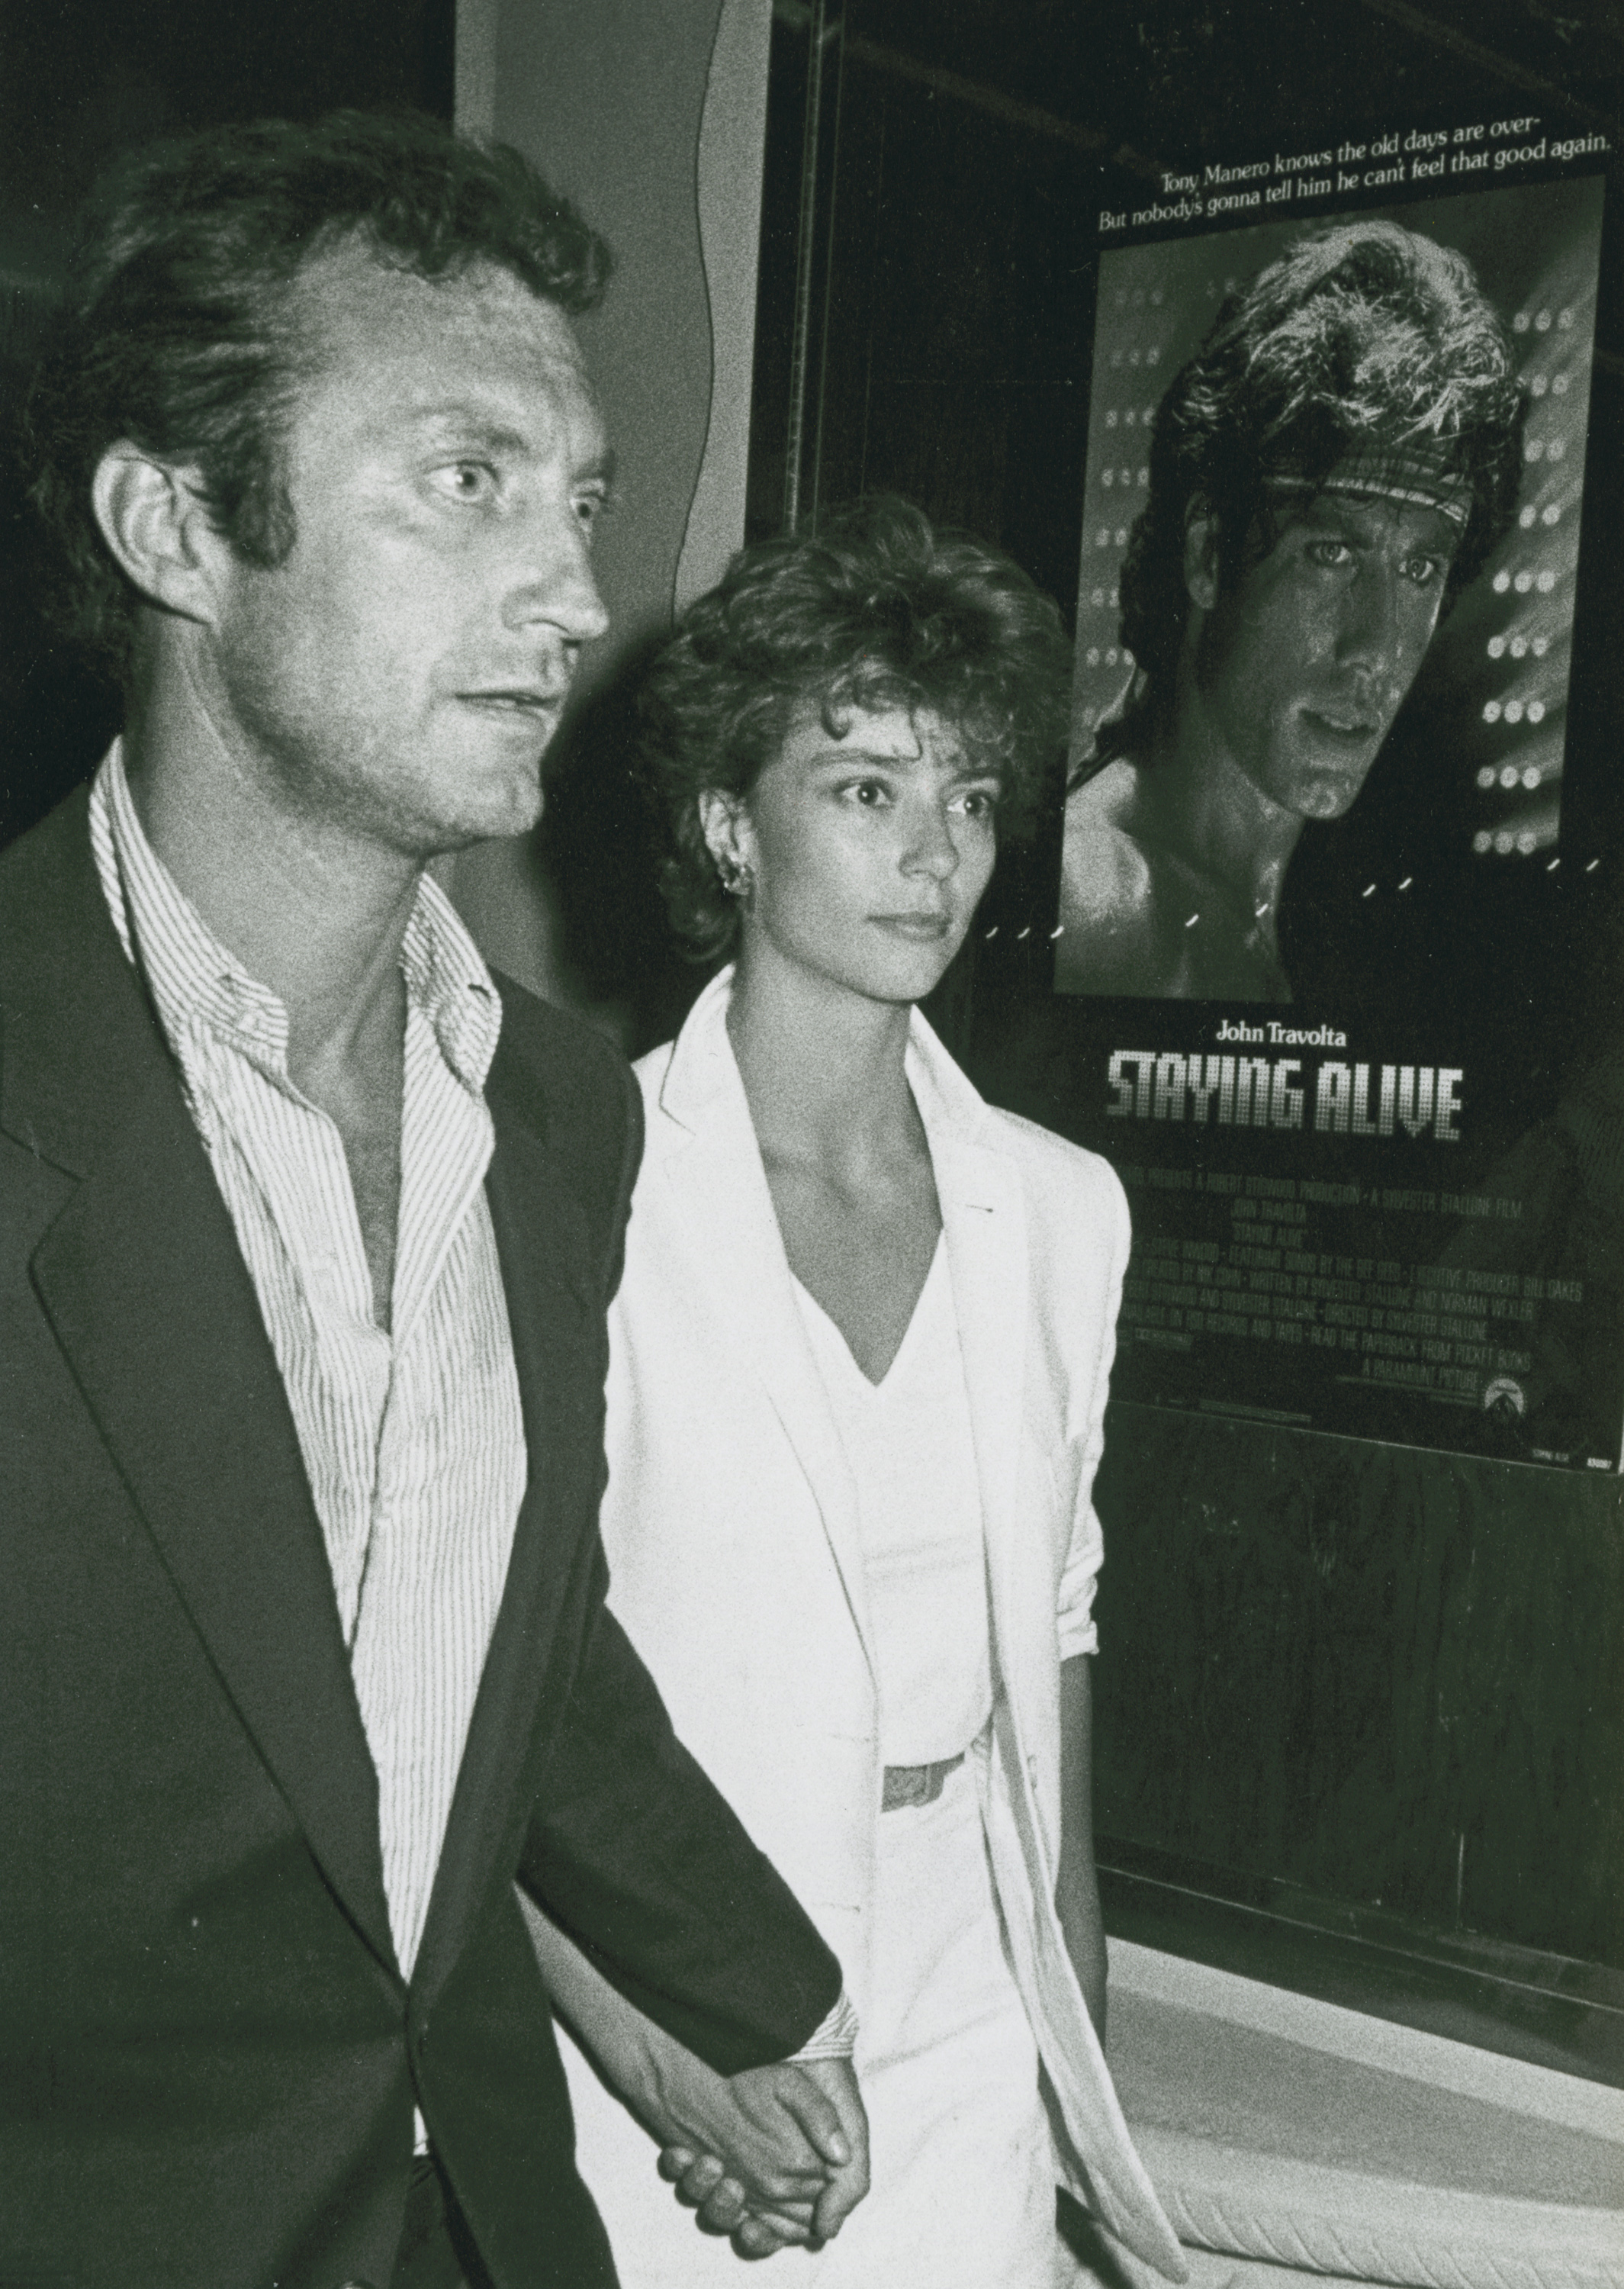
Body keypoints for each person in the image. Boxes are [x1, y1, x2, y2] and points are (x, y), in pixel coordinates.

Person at [0, 111, 870, 2289]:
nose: (575, 594)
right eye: (464, 480)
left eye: (574, 501)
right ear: (178, 522)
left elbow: (485, 1632)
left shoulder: (556, 1114)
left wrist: (739, 2014)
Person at [523, 499, 1189, 2287]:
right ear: (731, 826)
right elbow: (488, 1720)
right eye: (866, 788)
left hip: (972, 2022)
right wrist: (677, 2076)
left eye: (969, 794)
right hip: (671, 2014)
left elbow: (1050, 1685)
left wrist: (1075, 2103)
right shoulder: (578, 1192)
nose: (937, 855)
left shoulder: (1058, 1211)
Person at [1056, 219, 1525, 1001]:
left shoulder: (1299, 909)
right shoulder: (1099, 902)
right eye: (1331, 554)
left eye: (1417, 567)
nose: (1374, 649)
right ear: (1210, 555)